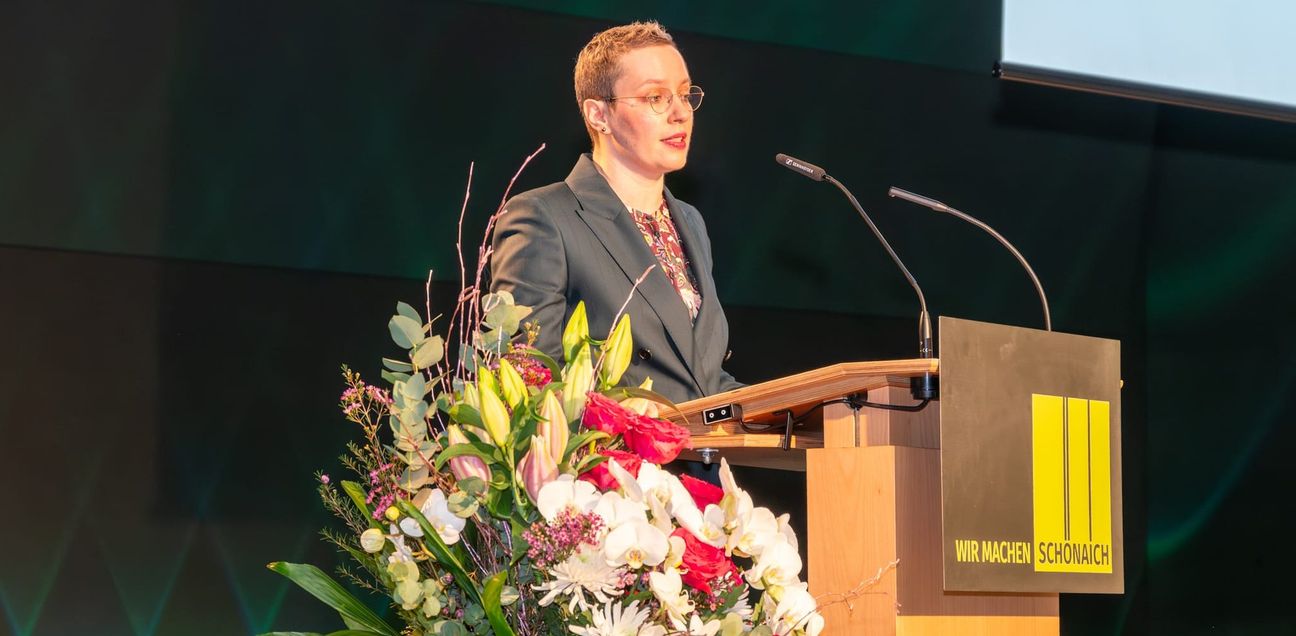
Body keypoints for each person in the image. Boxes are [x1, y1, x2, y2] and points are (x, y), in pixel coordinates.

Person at [490, 21, 742, 404]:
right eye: (655, 97)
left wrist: (802, 408)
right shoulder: (543, 218)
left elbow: (703, 380)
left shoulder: (689, 221)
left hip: (702, 461)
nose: (680, 113)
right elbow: (530, 379)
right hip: (612, 461)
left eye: (684, 94)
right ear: (598, 115)